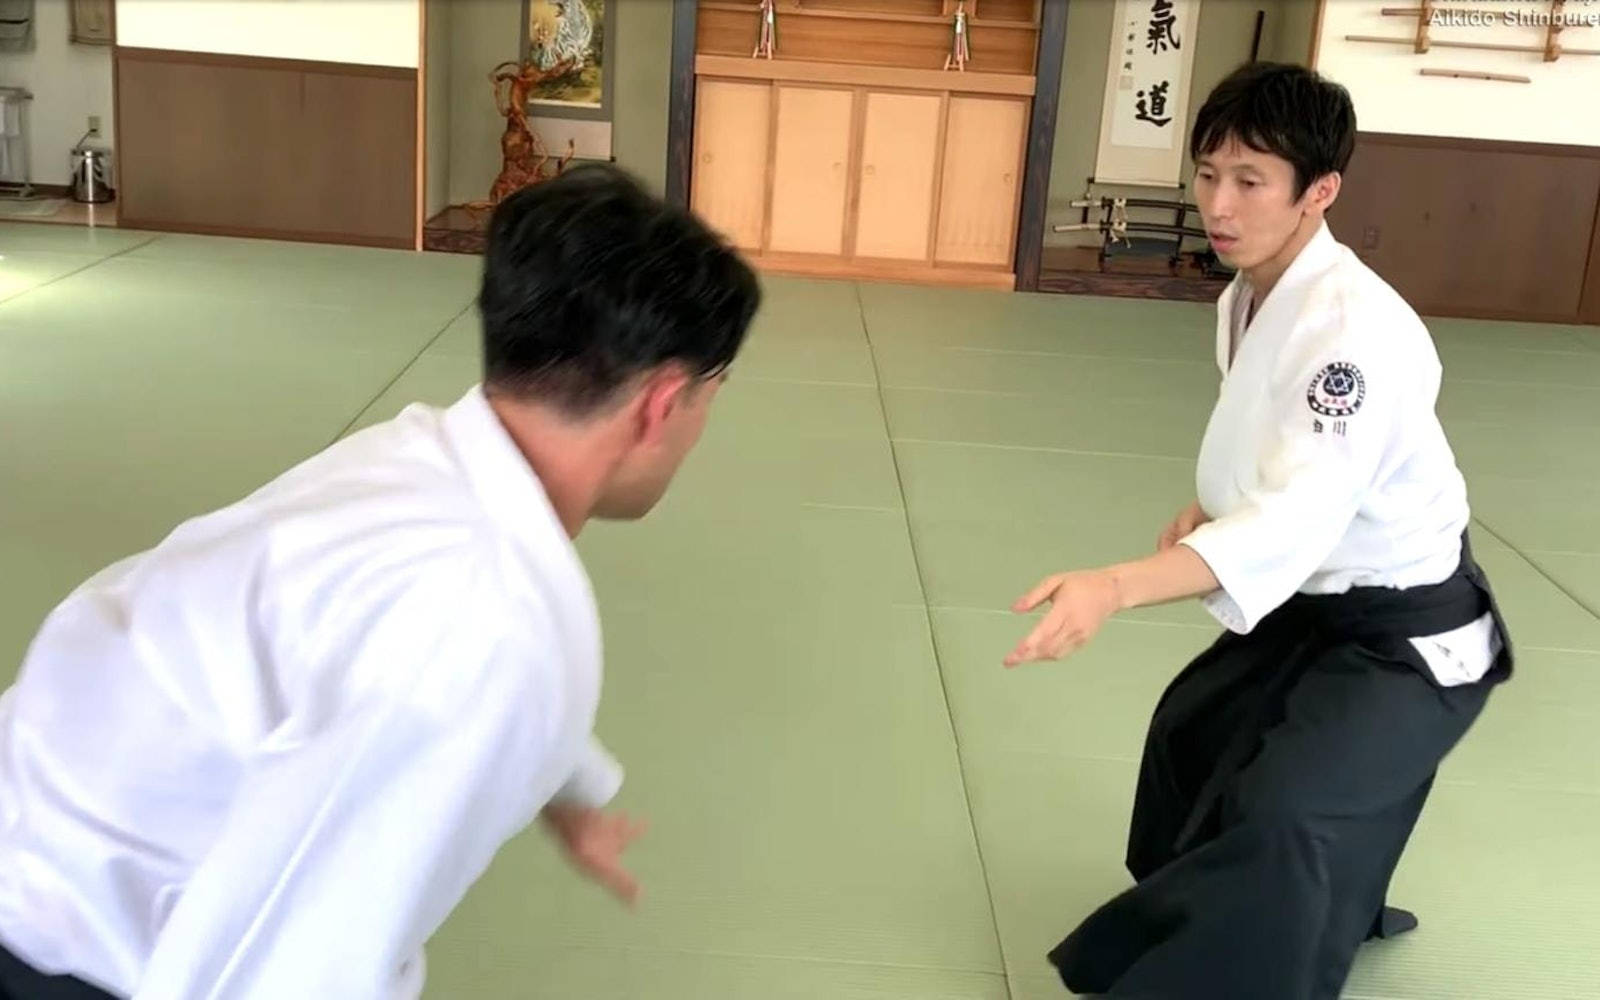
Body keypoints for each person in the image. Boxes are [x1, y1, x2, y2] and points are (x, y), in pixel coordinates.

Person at [0, 164, 761, 1000]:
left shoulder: (422, 456)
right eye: (709, 397)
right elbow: (282, 957)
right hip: (60, 938)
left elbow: (388, 665)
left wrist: (570, 791)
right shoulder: (486, 623)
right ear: (659, 404)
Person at [1003, 62, 1513, 1000]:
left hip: (1407, 635)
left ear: (1320, 192)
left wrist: (1116, 585)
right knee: (1191, 740)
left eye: (1250, 181)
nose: (1219, 206)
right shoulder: (1249, 295)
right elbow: (1278, 460)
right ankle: (1312, 906)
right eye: (1207, 176)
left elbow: (1303, 510)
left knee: (1287, 818)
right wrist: (1218, 512)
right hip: (1315, 603)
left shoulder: (1356, 332)